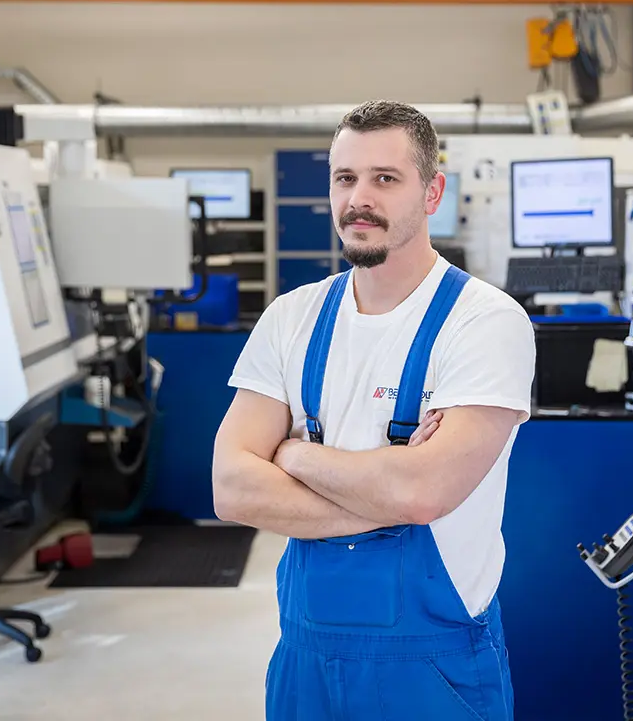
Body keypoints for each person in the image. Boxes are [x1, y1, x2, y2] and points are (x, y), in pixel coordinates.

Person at [212, 100, 536, 721]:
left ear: (432, 192)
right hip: (304, 661)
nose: (359, 199)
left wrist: (293, 454)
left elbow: (422, 493)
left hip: (433, 670)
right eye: (345, 178)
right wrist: (388, 490)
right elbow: (231, 489)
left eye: (385, 178)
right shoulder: (290, 317)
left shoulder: (485, 323)